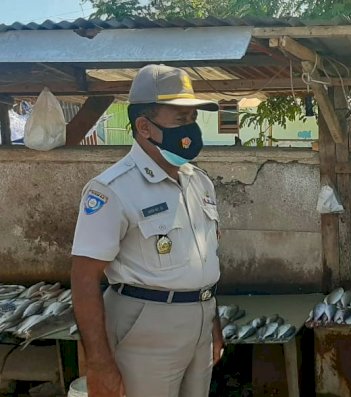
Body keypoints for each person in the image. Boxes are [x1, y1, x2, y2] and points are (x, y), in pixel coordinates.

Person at [70, 64, 224, 397]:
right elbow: (84, 279)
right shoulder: (111, 190)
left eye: (193, 119)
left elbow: (204, 258)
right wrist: (99, 364)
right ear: (144, 126)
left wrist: (211, 321)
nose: (191, 129)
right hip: (144, 327)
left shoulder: (199, 182)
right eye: (180, 120)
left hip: (198, 321)